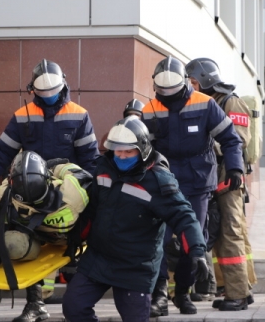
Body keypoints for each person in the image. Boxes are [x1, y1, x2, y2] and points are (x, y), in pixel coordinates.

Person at [0, 58, 100, 321]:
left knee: (74, 243)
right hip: (29, 190)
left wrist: (97, 192)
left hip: (68, 192)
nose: (48, 98)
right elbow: (1, 153)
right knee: (26, 241)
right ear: (32, 90)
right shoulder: (23, 117)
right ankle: (35, 303)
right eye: (42, 94)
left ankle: (76, 305)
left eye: (52, 92)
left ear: (63, 85)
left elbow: (90, 159)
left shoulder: (78, 114)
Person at [62, 116, 209, 322]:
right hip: (99, 258)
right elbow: (92, 208)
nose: (121, 156)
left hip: (135, 267)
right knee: (73, 307)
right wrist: (75, 236)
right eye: (117, 151)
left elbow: (183, 215)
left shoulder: (158, 181)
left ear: (142, 149)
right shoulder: (104, 168)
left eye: (128, 151)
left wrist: (197, 251)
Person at [142, 56, 244, 315]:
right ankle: (160, 294)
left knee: (192, 239)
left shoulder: (206, 104)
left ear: (185, 84)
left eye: (172, 92)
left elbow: (231, 139)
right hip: (163, 183)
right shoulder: (150, 108)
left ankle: (183, 293)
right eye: (162, 93)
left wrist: (234, 167)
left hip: (197, 181)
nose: (167, 97)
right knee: (160, 240)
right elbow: (142, 148)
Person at [185, 57, 256, 311]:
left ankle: (238, 294)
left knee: (231, 233)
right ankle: (238, 290)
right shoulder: (207, 102)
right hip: (213, 179)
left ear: (205, 80)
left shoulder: (230, 101)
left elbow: (238, 139)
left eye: (194, 82)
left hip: (229, 179)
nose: (190, 86)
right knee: (220, 234)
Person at [0, 151, 92, 320]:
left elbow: (82, 175)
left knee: (76, 282)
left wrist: (54, 167)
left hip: (74, 238)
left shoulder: (72, 194)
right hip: (39, 237)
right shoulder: (5, 196)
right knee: (13, 244)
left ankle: (78, 310)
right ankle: (35, 304)